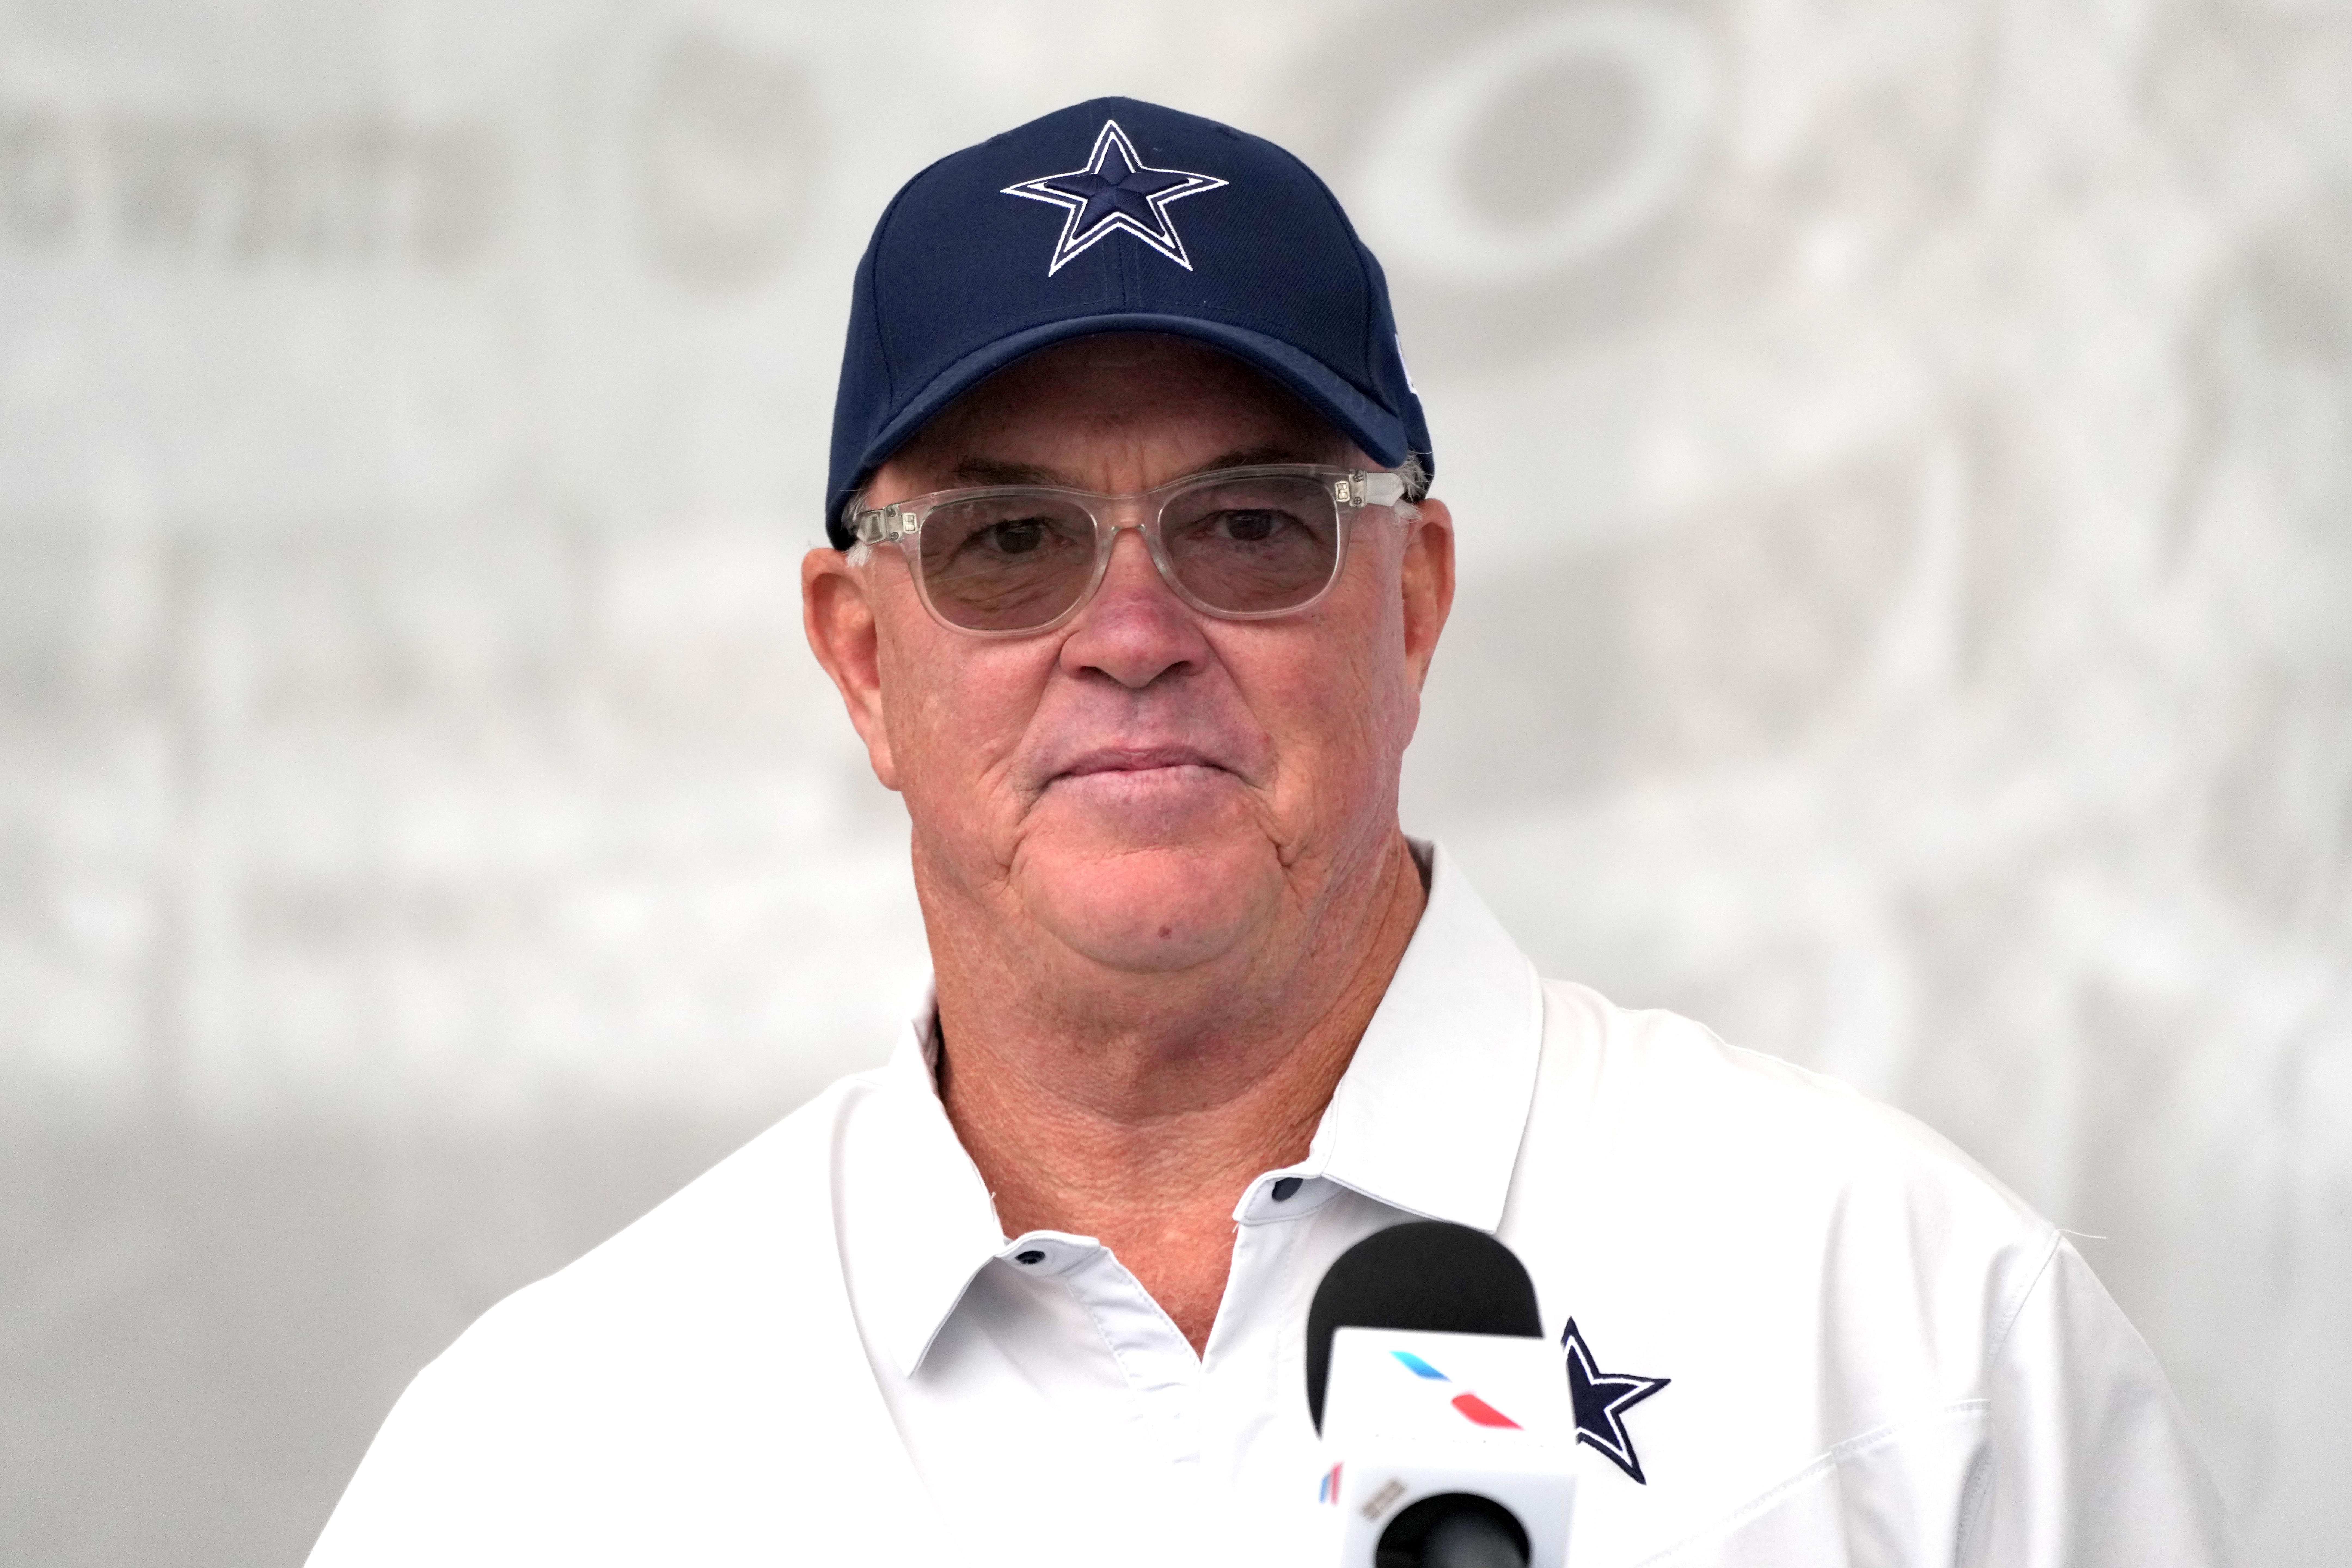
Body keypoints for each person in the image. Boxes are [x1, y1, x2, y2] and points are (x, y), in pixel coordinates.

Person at [306, 97, 2231, 1568]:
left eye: (1250, 526)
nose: (1132, 638)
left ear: (1412, 602)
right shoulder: (551, 1460)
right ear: (860, 657)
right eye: (1007, 543)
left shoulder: (1906, 1339)